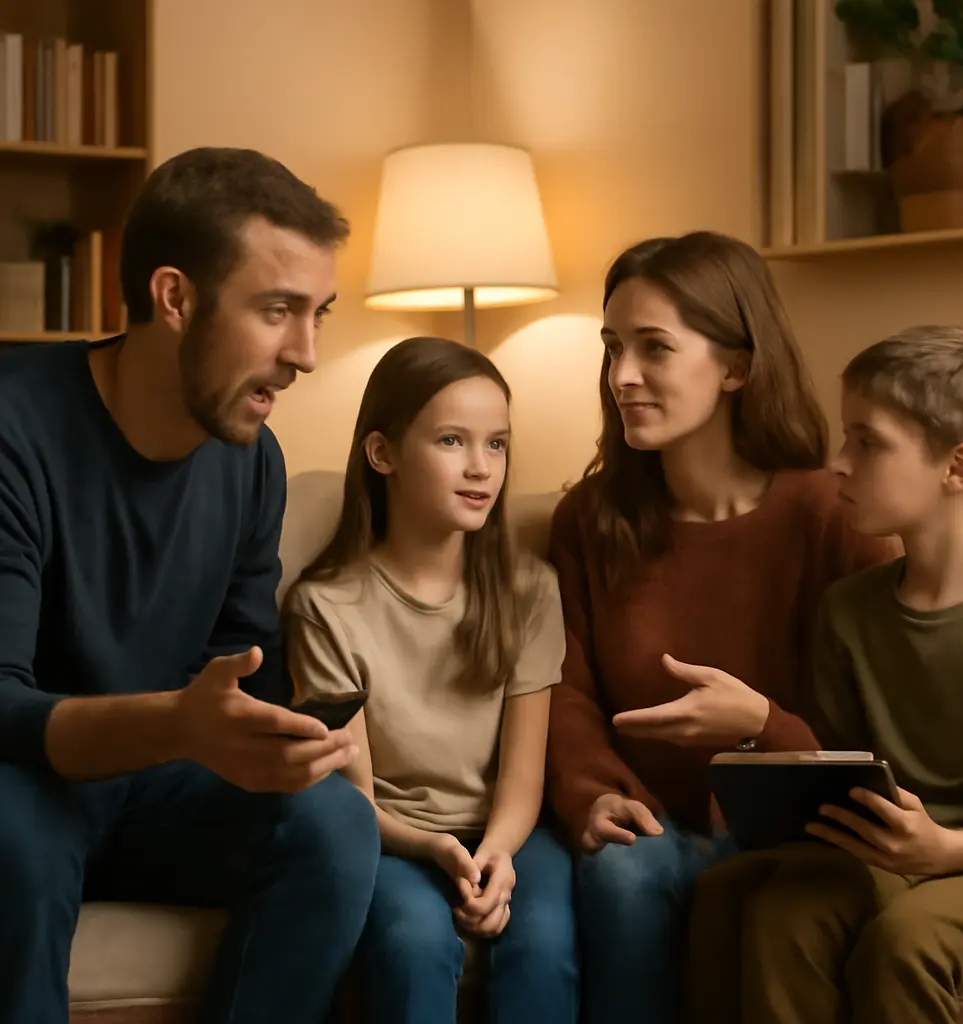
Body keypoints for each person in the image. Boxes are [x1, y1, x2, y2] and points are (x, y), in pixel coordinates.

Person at [0, 147, 380, 1024]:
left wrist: (287, 738)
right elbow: (1, 709)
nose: (308, 354)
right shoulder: (16, 432)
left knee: (333, 826)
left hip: (157, 782)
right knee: (12, 836)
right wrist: (179, 722)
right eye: (278, 310)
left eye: (318, 313)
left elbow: (238, 662)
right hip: (25, 782)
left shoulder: (253, 464)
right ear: (174, 297)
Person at [543, 231, 895, 1023]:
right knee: (621, 872)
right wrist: (593, 797)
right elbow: (563, 689)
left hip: (794, 831)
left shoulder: (834, 515)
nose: (621, 376)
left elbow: (879, 729)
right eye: (613, 348)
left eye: (654, 349)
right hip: (642, 824)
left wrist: (762, 725)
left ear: (736, 367)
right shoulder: (589, 520)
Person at [685, 325, 963, 1024]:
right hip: (886, 853)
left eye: (866, 442)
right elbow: (836, 767)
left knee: (905, 942)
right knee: (769, 907)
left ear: (959, 468)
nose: (837, 463)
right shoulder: (849, 610)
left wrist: (944, 849)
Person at [284, 336, 579, 1024]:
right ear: (383, 453)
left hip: (510, 832)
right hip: (393, 837)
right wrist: (435, 848)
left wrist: (498, 853)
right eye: (452, 441)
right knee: (414, 944)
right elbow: (352, 800)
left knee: (543, 947)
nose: (481, 468)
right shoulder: (325, 607)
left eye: (497, 444)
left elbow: (523, 779)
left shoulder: (531, 590)